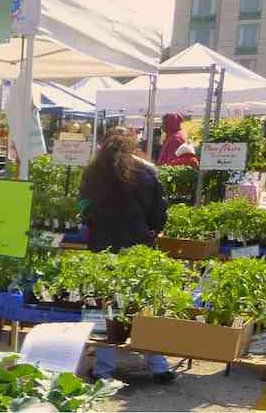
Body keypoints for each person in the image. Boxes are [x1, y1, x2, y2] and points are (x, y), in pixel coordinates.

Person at [78, 133, 174, 384]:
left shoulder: (93, 173)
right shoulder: (147, 173)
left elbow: (83, 207)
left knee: (102, 308)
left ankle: (103, 370)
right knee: (144, 308)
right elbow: (159, 218)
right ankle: (158, 366)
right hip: (138, 251)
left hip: (103, 251)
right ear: (133, 147)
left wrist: (93, 221)